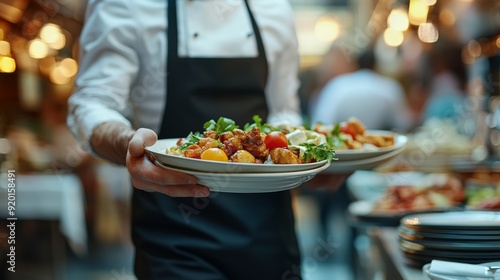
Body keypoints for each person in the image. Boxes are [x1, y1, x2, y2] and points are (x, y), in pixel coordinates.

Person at [67, 1, 347, 279]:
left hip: (268, 231)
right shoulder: (124, 4)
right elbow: (93, 102)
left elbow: (283, 109)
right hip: (174, 236)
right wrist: (128, 143)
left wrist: (305, 166)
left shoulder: (273, 8)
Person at [310, 47, 414, 132]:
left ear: (355, 64)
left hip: (341, 152)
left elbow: (320, 122)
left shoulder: (337, 85)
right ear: (376, 65)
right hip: (379, 151)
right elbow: (404, 124)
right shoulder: (390, 87)